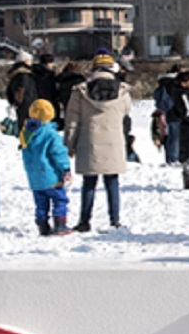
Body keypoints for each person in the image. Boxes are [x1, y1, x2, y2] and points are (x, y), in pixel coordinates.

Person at [66, 54, 130, 231]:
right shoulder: (122, 91)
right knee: (112, 182)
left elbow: (72, 120)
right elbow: (126, 111)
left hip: (89, 141)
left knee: (89, 183)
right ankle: (115, 220)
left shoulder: (80, 91)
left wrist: (69, 144)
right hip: (113, 141)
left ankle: (84, 220)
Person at [20, 98, 72, 236]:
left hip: (34, 177)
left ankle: (43, 226)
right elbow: (58, 153)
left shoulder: (26, 133)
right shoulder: (50, 134)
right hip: (51, 176)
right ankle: (60, 224)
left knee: (41, 203)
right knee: (60, 199)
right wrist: (65, 168)